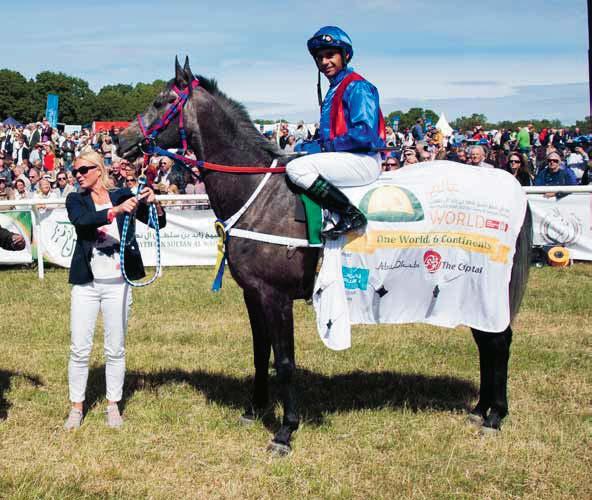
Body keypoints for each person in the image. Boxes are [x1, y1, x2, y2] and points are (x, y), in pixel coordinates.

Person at [63, 151, 166, 430]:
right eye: (76, 171)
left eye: (83, 169)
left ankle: (113, 405)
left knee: (116, 348)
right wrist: (115, 211)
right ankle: (76, 406)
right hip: (86, 283)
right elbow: (82, 222)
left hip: (119, 284)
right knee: (79, 348)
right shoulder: (75, 199)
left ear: (98, 170)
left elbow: (158, 222)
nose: (79, 175)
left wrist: (154, 204)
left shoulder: (122, 194)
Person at [286, 26, 385, 239]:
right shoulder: (335, 88)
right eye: (319, 57)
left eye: (330, 55)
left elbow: (364, 133)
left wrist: (323, 146)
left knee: (296, 169)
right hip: (347, 157)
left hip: (363, 158)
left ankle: (350, 215)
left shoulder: (357, 86)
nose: (324, 62)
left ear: (345, 55)